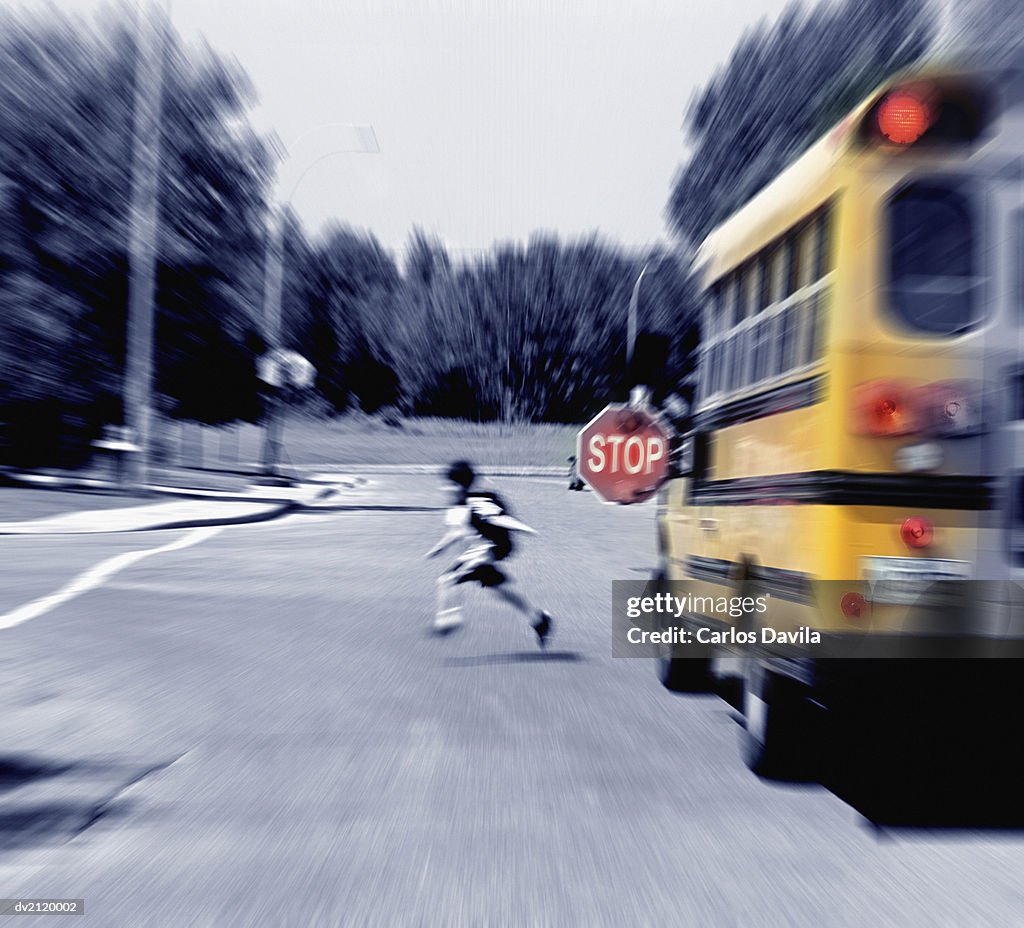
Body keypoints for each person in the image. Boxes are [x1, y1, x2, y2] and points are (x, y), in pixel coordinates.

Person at [425, 460, 553, 646]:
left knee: (448, 579)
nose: (445, 489)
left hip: (491, 548)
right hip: (477, 552)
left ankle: (447, 620)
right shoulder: (455, 509)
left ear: (461, 486)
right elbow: (456, 532)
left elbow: (499, 518)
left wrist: (523, 528)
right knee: (499, 589)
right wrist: (439, 547)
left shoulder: (477, 502)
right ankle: (539, 619)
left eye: (450, 484)